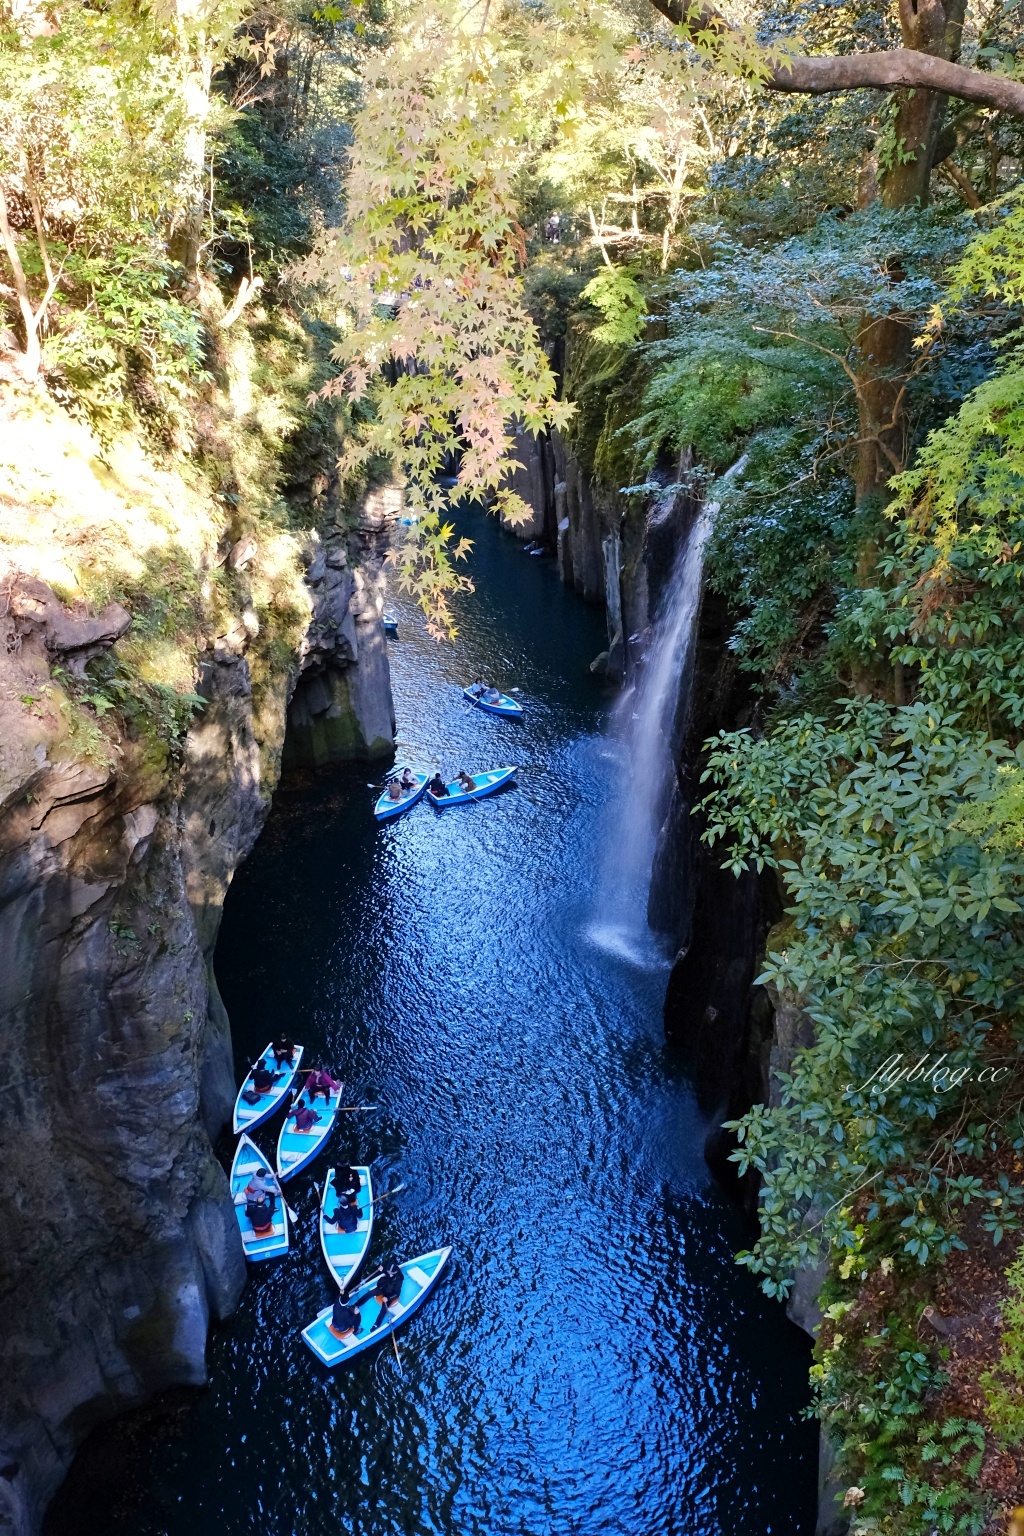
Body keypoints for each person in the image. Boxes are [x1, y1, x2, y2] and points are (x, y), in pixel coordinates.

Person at [371, 1257, 404, 1329]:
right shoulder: (391, 1268)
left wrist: (388, 1298)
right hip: (385, 1287)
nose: (388, 1272)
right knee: (370, 1293)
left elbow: (397, 1294)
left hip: (390, 1294)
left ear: (394, 1272)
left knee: (384, 1309)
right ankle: (356, 1304)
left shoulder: (399, 1280)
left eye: (390, 1271)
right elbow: (387, 1272)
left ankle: (376, 1324)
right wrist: (382, 1270)